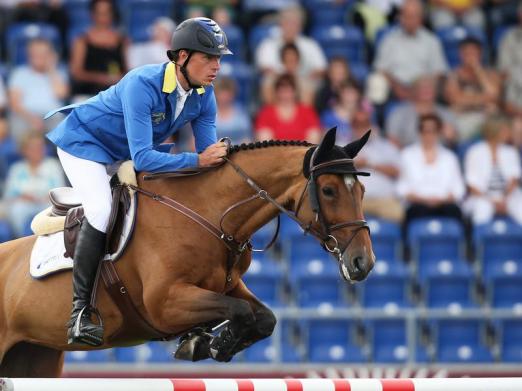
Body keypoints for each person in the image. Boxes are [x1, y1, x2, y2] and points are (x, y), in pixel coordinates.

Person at [45, 17, 232, 347]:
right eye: (208, 57)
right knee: (101, 210)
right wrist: (199, 160)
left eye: (218, 58)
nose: (216, 66)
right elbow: (145, 158)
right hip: (85, 145)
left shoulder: (204, 94)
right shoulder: (142, 84)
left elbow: (205, 157)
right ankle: (79, 312)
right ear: (182, 57)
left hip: (124, 153)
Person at [397, 114, 465, 228]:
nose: (428, 135)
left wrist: (443, 199)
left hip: (445, 204)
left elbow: (459, 189)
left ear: (439, 132)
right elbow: (401, 187)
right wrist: (421, 199)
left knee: (455, 213)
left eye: (433, 131)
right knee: (412, 214)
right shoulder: (407, 155)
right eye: (425, 130)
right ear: (419, 132)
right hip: (418, 205)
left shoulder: (450, 157)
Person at [373, 0, 448, 101]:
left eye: (414, 16)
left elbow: (439, 72)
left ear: (421, 19)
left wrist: (425, 88)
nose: (410, 20)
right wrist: (397, 88)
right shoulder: (389, 40)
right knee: (376, 81)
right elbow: (381, 69)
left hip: (424, 88)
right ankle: (376, 114)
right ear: (400, 18)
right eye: (406, 16)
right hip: (395, 88)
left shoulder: (431, 41)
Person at [2, 132, 64, 237]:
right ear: (24, 150)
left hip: (46, 202)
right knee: (18, 209)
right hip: (24, 204)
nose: (37, 150)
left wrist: (47, 197)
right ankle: (21, 239)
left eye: (40, 146)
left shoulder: (53, 165)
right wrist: (22, 196)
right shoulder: (17, 168)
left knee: (53, 210)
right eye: (33, 147)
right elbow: (9, 194)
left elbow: (59, 189)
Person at [7, 38, 69, 144]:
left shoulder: (58, 73)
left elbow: (62, 94)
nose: (39, 57)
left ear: (50, 55)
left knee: (65, 131)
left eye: (43, 53)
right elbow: (14, 104)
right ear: (29, 55)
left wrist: (51, 69)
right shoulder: (19, 73)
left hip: (52, 117)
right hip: (26, 117)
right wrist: (32, 119)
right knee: (20, 127)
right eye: (35, 54)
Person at [464, 115, 522, 225]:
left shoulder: (511, 152)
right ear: (494, 130)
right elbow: (472, 186)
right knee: (482, 210)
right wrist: (492, 201)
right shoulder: (474, 152)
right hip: (482, 197)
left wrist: (504, 199)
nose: (508, 132)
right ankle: (479, 241)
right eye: (505, 130)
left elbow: (514, 180)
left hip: (507, 196)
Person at [444, 37, 502, 142]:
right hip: (463, 117)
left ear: (480, 54)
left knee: (494, 111)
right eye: (466, 53)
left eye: (473, 53)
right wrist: (484, 99)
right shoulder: (453, 75)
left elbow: (494, 95)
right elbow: (456, 100)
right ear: (460, 55)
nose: (470, 57)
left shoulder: (490, 74)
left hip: (485, 116)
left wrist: (478, 69)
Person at [352, 107, 404, 222]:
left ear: (371, 126)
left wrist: (370, 164)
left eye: (365, 124)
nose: (361, 128)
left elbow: (396, 171)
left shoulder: (386, 147)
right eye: (357, 124)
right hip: (354, 200)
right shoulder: (342, 147)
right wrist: (353, 165)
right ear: (352, 127)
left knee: (399, 213)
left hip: (383, 199)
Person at [70, 0, 128, 100]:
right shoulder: (82, 40)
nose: (103, 17)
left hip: (114, 95)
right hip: (87, 94)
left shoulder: (122, 40)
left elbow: (127, 71)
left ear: (112, 14)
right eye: (99, 13)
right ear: (92, 14)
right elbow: (76, 73)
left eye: (107, 13)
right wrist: (102, 78)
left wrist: (117, 79)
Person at [255, 4, 327, 84]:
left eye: (294, 24)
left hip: (304, 84)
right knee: (268, 81)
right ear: (280, 25)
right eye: (287, 23)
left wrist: (300, 80)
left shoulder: (310, 45)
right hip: (278, 86)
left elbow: (321, 69)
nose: (290, 27)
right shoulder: (267, 45)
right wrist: (287, 81)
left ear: (300, 27)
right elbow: (265, 69)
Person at [386, 76, 456, 148]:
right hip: (405, 155)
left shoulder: (446, 114)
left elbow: (453, 142)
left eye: (430, 87)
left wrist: (451, 138)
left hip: (439, 155)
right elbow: (392, 139)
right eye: (423, 88)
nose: (427, 90)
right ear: (414, 91)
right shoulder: (400, 112)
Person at [255, 73, 321, 143]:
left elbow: (313, 140)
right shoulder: (266, 113)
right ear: (276, 91)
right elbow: (265, 142)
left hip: (302, 153)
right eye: (282, 89)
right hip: (275, 153)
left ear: (295, 91)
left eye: (289, 89)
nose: (285, 93)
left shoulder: (307, 112)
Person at [497, 2, 522, 117]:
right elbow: (504, 71)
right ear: (519, 16)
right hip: (515, 89)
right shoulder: (509, 38)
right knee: (513, 75)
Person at [214, 77, 252, 144]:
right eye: (221, 93)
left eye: (227, 94)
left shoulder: (241, 112)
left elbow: (247, 138)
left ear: (233, 94)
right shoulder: (207, 113)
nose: (224, 97)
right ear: (216, 94)